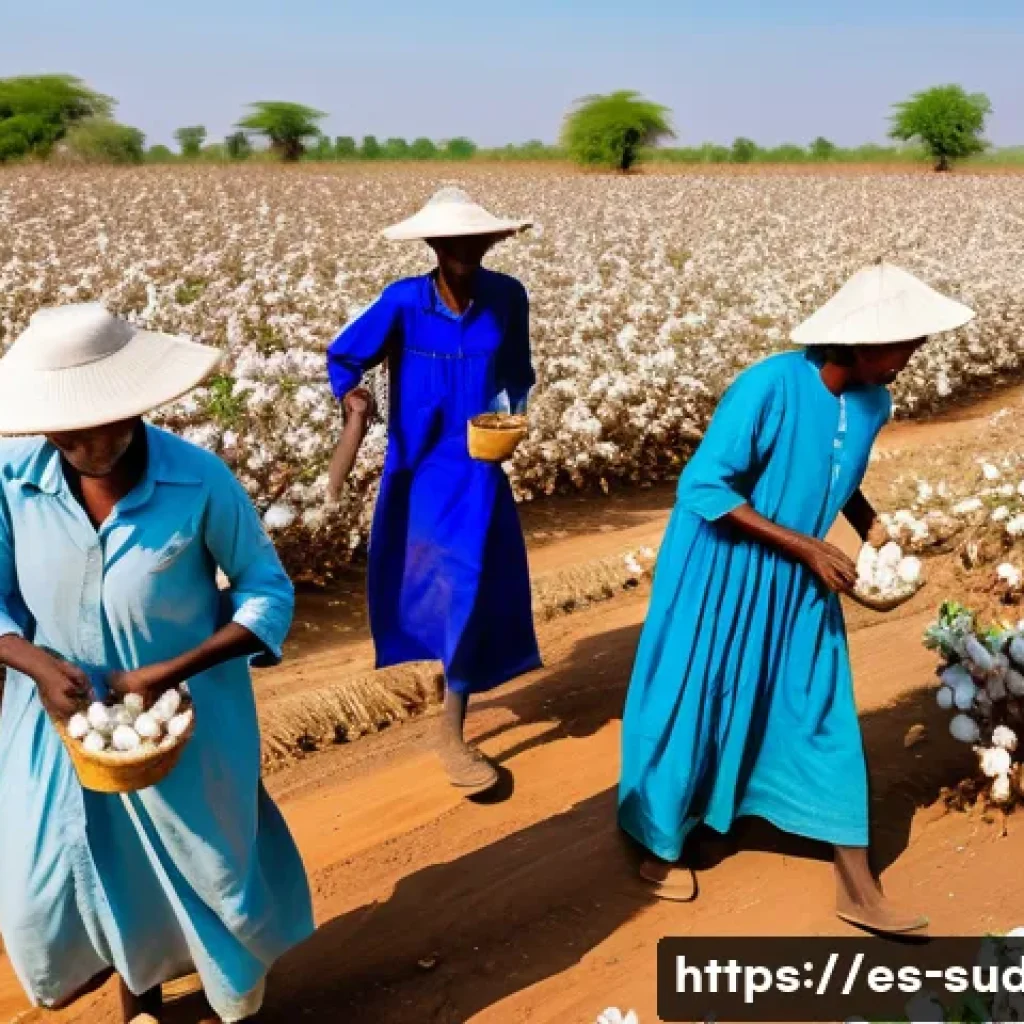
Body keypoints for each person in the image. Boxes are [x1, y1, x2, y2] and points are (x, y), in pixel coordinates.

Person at [618, 263, 975, 935]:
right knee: (699, 700)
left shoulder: (874, 403)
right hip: (720, 570)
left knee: (819, 708)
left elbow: (836, 472)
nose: (915, 355)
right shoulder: (768, 387)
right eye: (906, 344)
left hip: (796, 576)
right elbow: (703, 488)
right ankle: (661, 845)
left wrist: (867, 523)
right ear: (863, 344)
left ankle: (857, 885)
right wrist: (807, 546)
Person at [0, 304, 314, 1023]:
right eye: (72, 428)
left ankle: (224, 999)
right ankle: (135, 998)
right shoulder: (12, 483)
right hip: (53, 727)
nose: (96, 440)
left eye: (114, 419)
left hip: (185, 730)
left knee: (206, 875)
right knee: (60, 882)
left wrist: (169, 671)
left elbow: (267, 591)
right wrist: (37, 665)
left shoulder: (198, 481)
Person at [326, 186, 541, 792]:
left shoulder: (508, 298)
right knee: (430, 581)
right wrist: (353, 396)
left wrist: (510, 420)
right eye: (452, 243)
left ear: (490, 242)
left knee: (470, 581)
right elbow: (345, 356)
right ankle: (444, 688)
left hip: (476, 466)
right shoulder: (403, 304)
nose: (464, 252)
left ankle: (451, 726)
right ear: (434, 246)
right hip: (417, 468)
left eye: (475, 241)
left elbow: (517, 374)